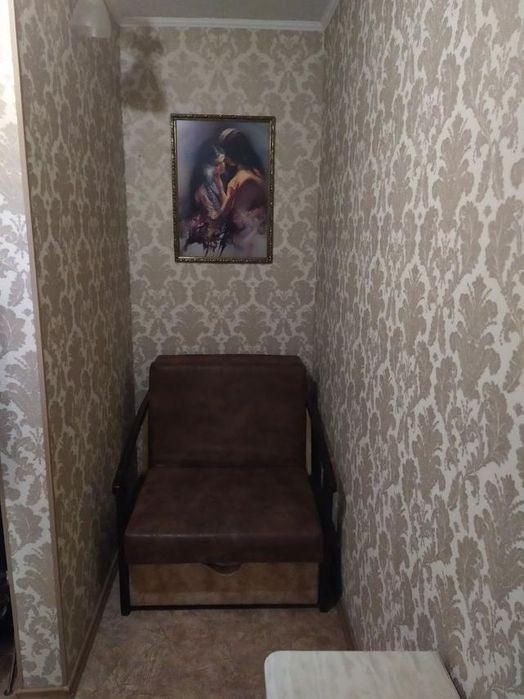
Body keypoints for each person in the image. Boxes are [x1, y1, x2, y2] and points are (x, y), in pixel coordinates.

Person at [214, 128, 268, 256]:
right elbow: (227, 210)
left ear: (235, 152)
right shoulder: (241, 175)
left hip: (249, 243)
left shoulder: (247, 180)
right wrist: (218, 182)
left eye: (225, 152)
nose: (223, 158)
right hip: (241, 238)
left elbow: (234, 219)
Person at [182, 139, 227, 255]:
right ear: (205, 166)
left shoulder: (215, 180)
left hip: (217, 231)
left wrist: (220, 188)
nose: (222, 166)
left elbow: (226, 206)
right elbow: (215, 216)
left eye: (223, 161)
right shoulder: (201, 190)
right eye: (217, 164)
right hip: (204, 238)